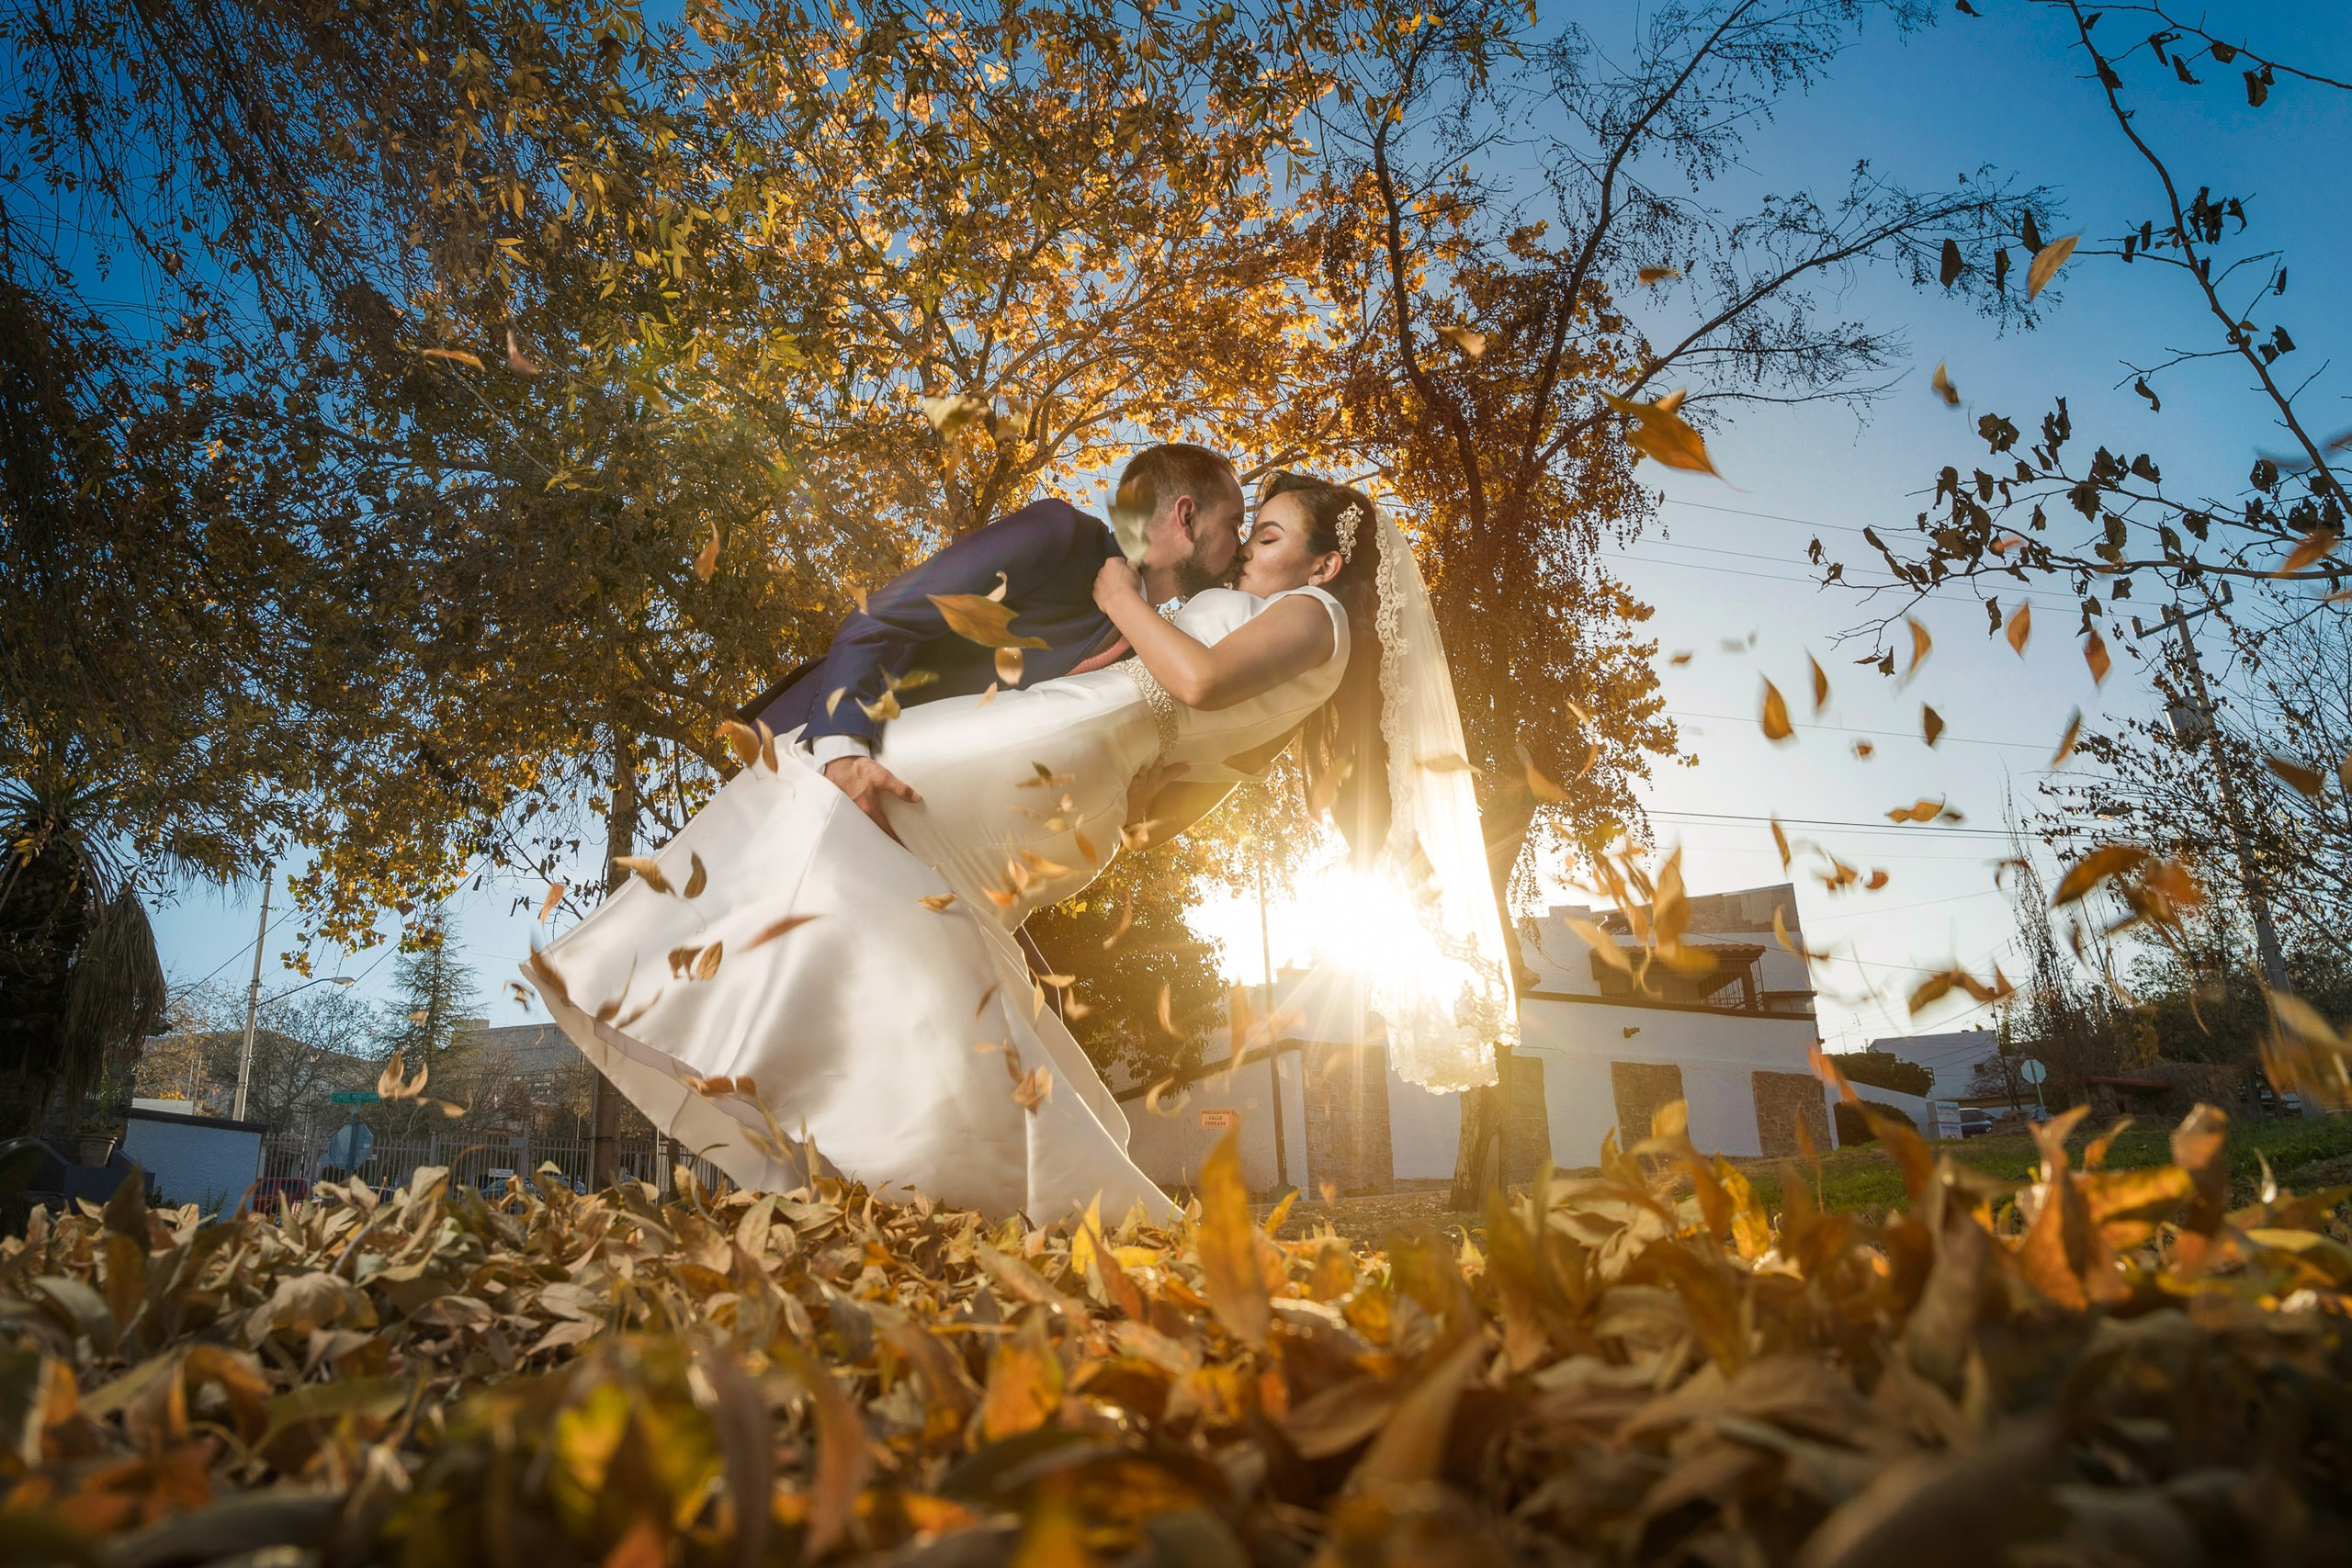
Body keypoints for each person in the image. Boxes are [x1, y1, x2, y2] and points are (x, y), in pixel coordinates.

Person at [524, 468, 1419, 1221]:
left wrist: (1120, 615)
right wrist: (1137, 793)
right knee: (918, 935)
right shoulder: (1167, 586)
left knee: (843, 853)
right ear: (1185, 515)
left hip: (1040, 754)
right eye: (1244, 531)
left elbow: (1196, 685)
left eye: (1266, 534)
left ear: (1326, 563)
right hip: (1062, 788)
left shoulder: (1297, 618)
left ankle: (846, 1126)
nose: (1246, 549)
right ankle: (892, 1164)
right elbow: (1195, 788)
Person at [740, 443, 1244, 840]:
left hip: (912, 825)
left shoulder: (1145, 649)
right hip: (814, 763)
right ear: (1186, 517)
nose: (1240, 547)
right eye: (1235, 524)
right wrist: (843, 757)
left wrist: (1122, 811)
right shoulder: (1062, 535)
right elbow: (883, 618)